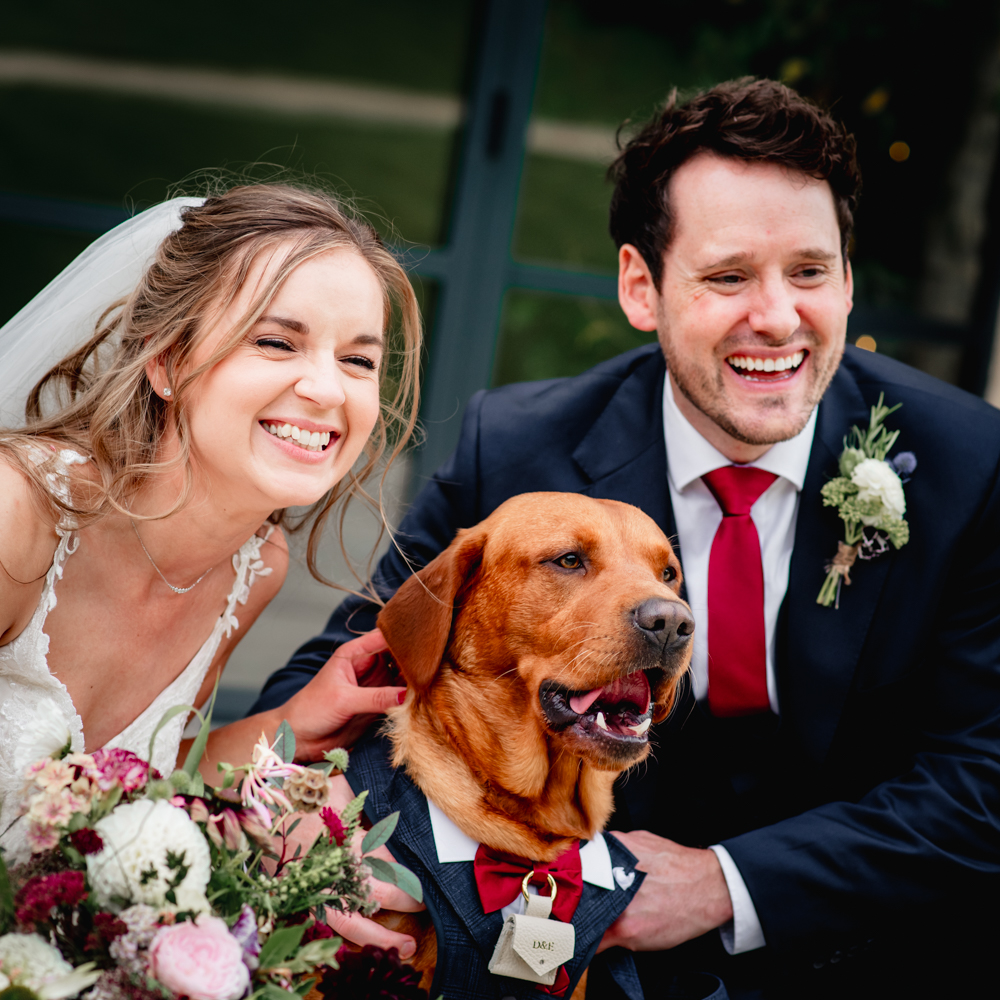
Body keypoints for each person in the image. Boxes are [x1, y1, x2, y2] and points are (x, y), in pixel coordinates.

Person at [251, 79, 1000, 998]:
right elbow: (352, 670)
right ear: (640, 287)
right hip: (568, 961)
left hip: (875, 958)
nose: (776, 316)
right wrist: (321, 823)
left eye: (809, 271)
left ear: (846, 279)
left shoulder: (971, 464)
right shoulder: (521, 448)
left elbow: (984, 779)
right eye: (728, 277)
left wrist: (725, 885)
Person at [0, 184, 420, 864]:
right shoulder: (18, 512)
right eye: (277, 341)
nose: (325, 389)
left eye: (358, 360)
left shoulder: (252, 566)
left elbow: (145, 787)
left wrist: (289, 723)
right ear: (166, 360)